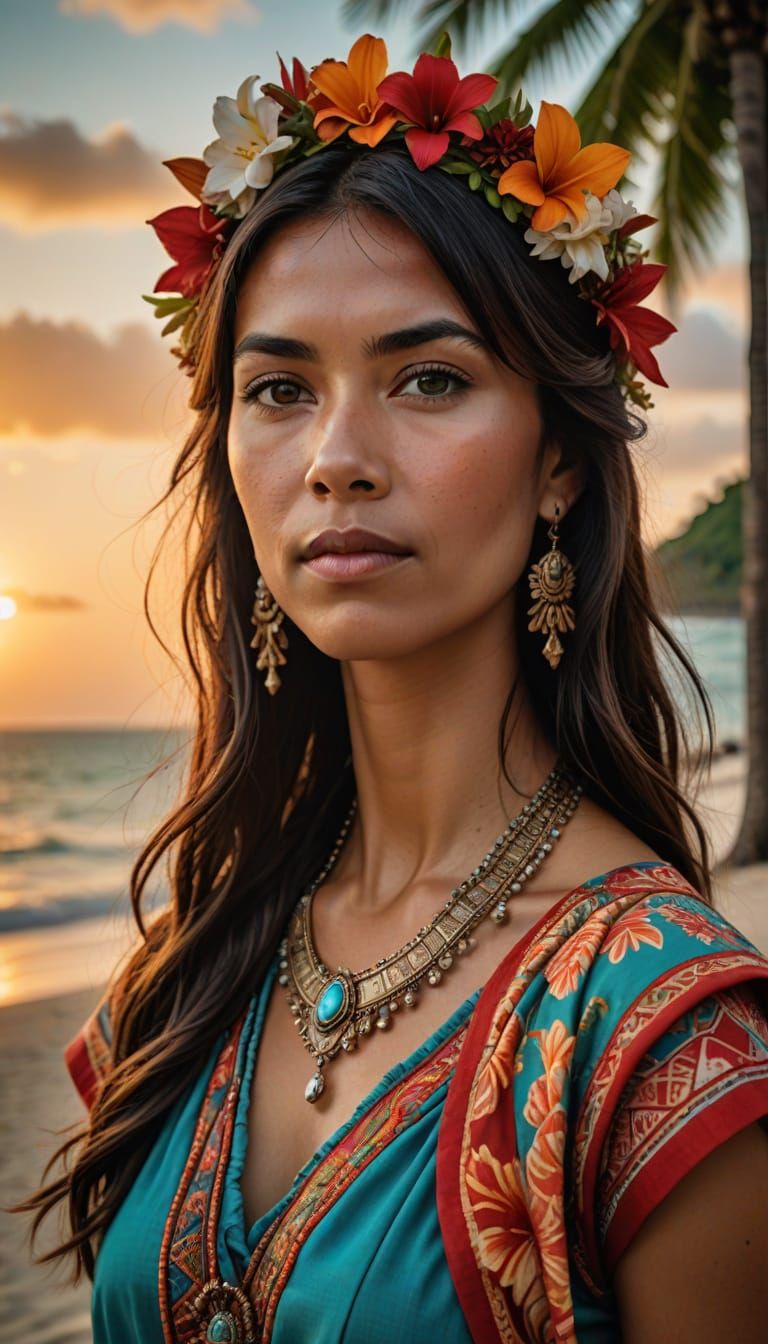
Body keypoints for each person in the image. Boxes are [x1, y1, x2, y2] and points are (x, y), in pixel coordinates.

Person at [16, 31, 768, 1344]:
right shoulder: (190, 971)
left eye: (429, 379)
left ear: (559, 466)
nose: (338, 458)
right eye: (279, 390)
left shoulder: (664, 1043)